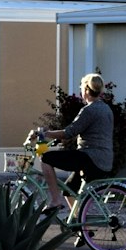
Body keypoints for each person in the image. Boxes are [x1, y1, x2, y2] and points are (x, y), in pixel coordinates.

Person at [36, 73, 114, 214]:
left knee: (46, 159)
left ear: (85, 90)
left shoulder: (89, 110)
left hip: (90, 157)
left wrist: (44, 133)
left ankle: (55, 201)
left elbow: (69, 132)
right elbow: (84, 131)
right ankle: (80, 226)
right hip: (104, 159)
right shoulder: (106, 109)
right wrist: (59, 138)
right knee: (69, 190)